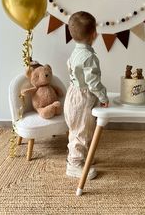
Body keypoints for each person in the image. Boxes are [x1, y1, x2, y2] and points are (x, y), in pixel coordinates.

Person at [64, 11, 109, 179]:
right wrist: (103, 98)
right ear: (94, 34)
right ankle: (74, 164)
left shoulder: (75, 52)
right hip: (82, 97)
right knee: (81, 131)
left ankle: (82, 157)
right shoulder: (89, 56)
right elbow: (93, 82)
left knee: (78, 128)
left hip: (73, 94)